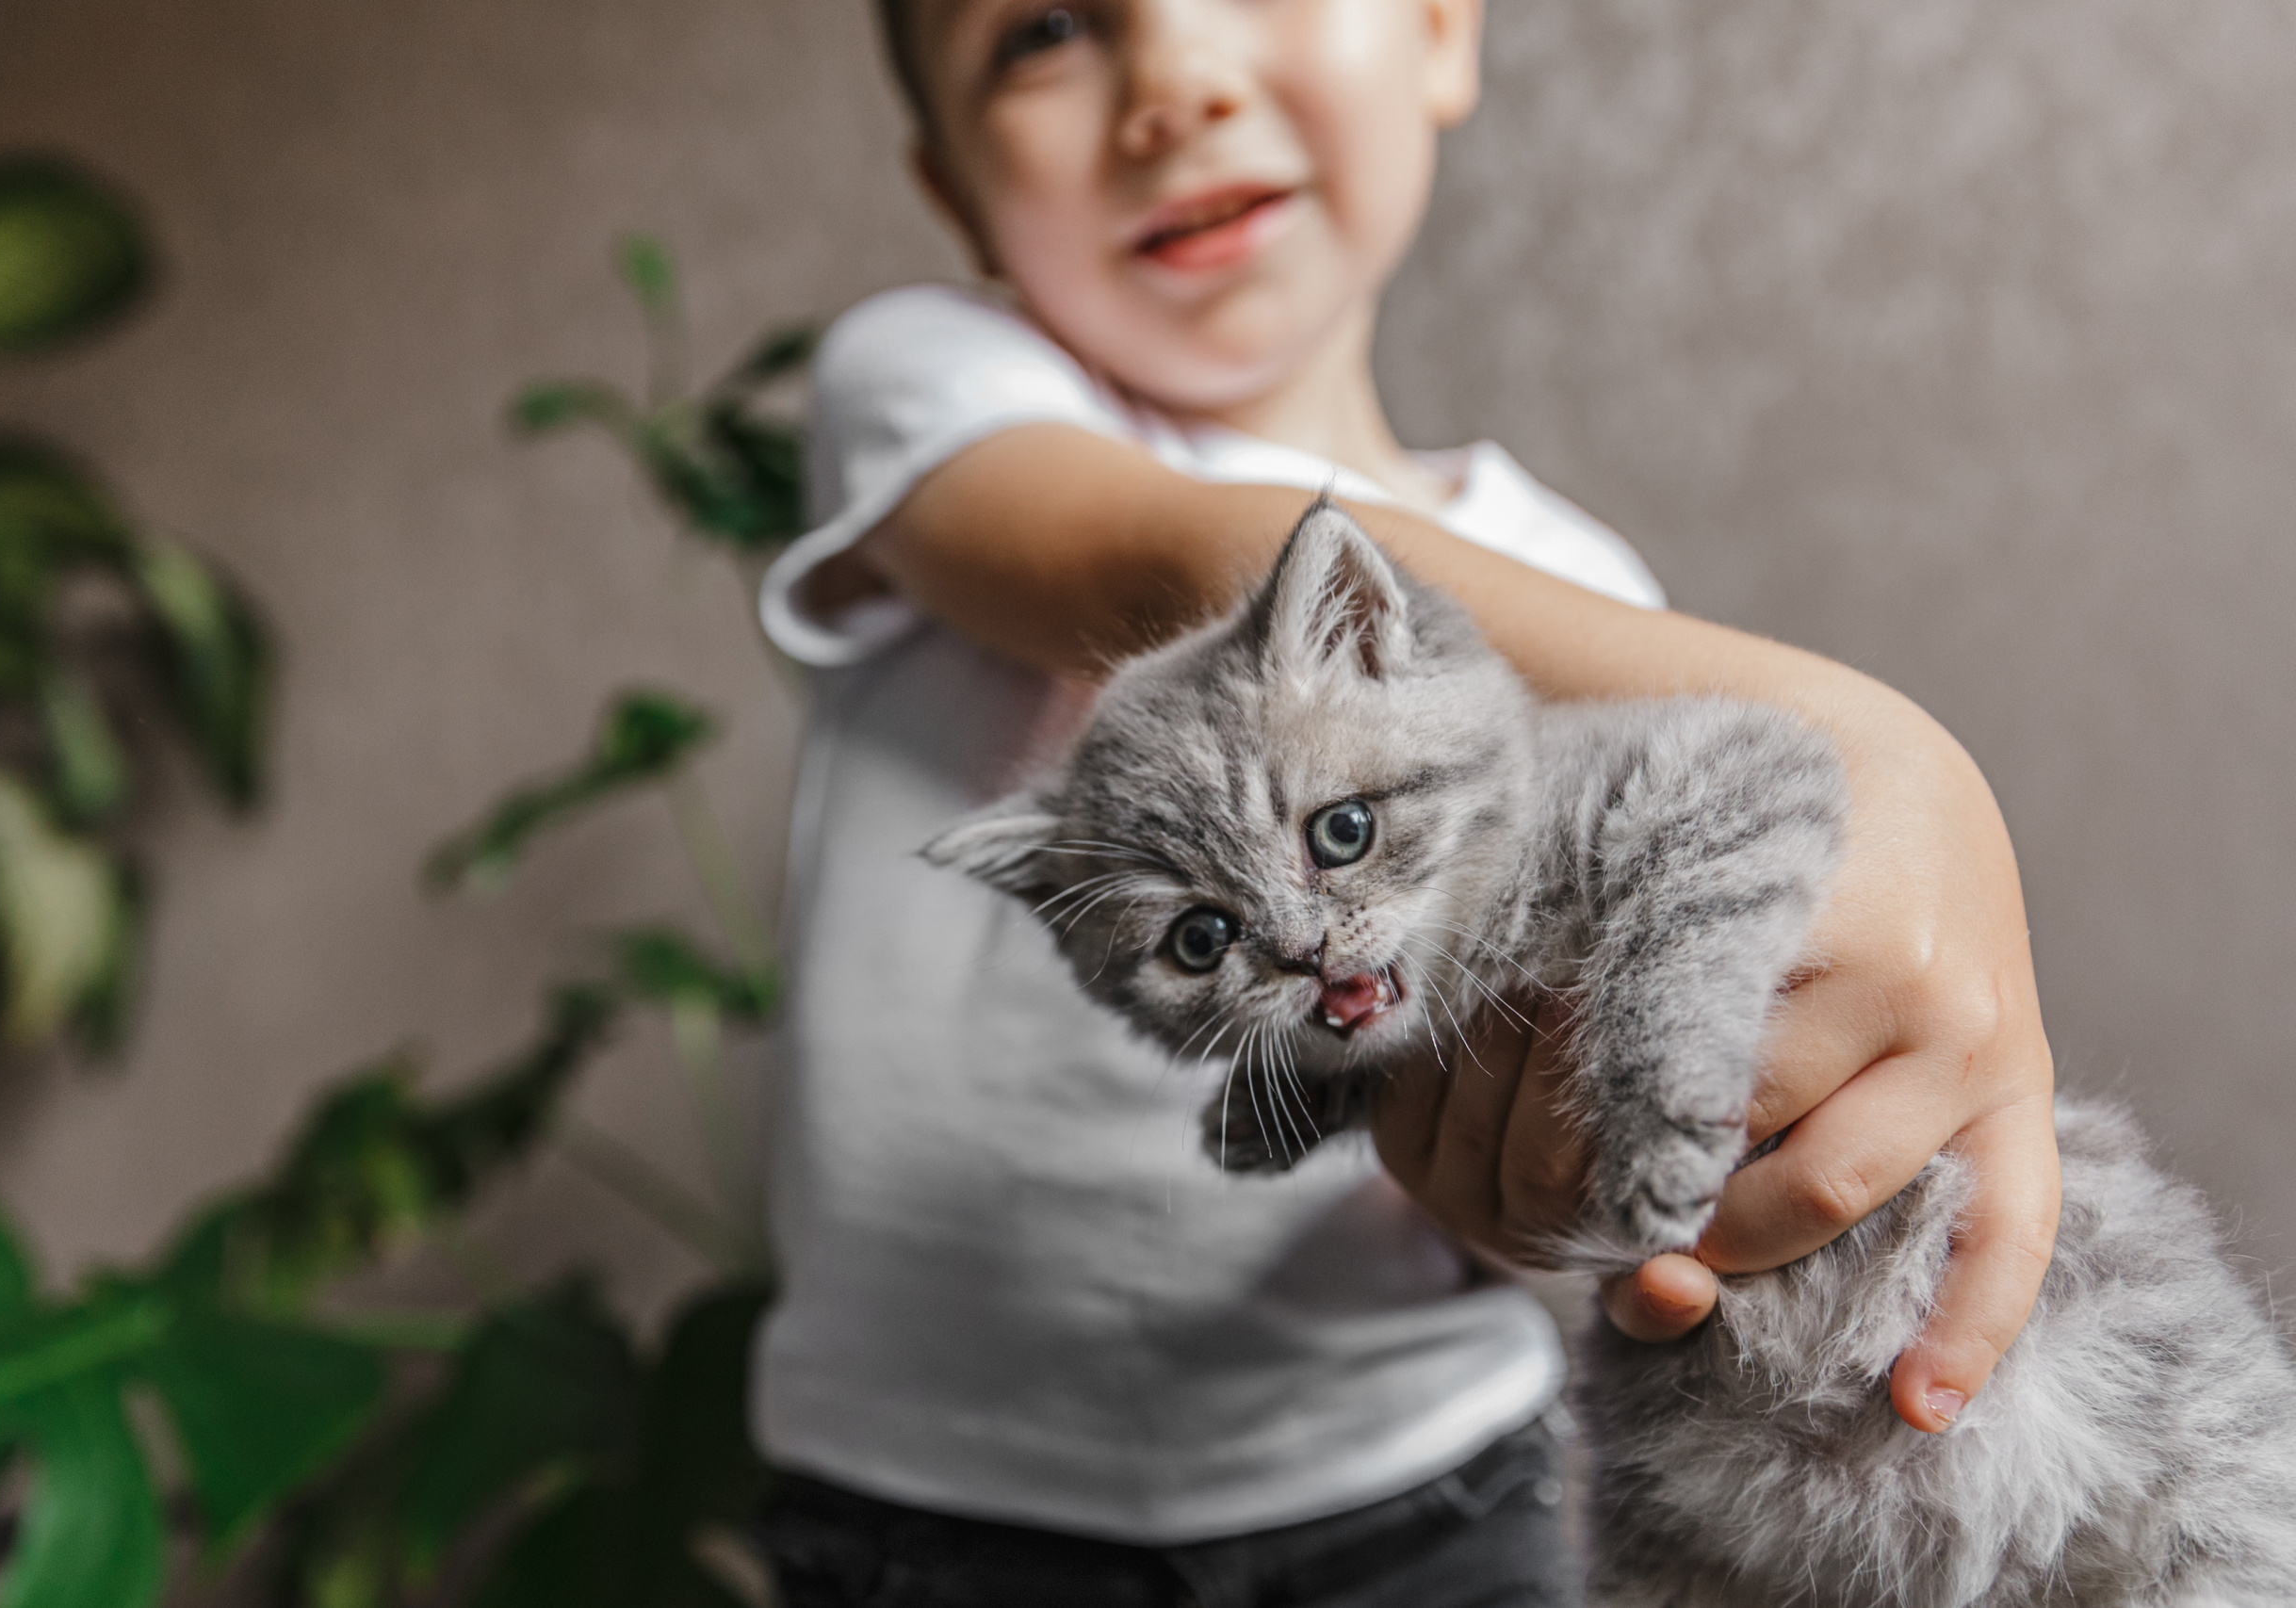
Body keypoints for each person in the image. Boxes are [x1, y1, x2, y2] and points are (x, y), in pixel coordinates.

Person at [748, 3, 2061, 1603]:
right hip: (923, 1510)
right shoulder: (934, 386)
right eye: (1042, 30)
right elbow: (1182, 561)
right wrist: (1875, 751)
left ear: (1442, 30)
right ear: (949, 186)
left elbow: (1542, 1174)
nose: (1176, 81)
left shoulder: (1586, 600)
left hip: (1429, 1489)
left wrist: (1556, 1176)